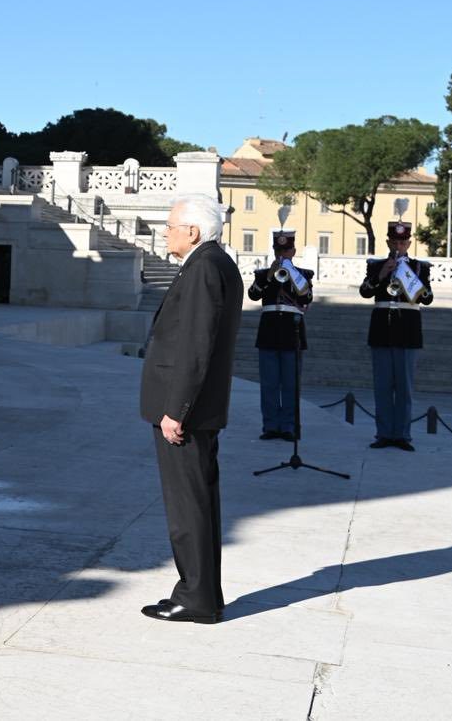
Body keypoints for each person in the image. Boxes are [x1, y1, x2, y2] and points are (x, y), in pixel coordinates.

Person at [138, 194, 242, 624]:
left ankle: (196, 598)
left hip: (186, 412)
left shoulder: (203, 268)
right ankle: (202, 593)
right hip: (197, 408)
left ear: (193, 232)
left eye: (170, 225)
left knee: (187, 506)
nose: (165, 231)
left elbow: (195, 347)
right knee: (197, 502)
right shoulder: (214, 264)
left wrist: (176, 410)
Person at [360, 220, 434, 452]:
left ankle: (402, 434)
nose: (399, 245)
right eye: (395, 242)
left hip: (407, 331)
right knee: (382, 387)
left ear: (409, 243)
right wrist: (382, 274)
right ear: (388, 242)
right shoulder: (376, 265)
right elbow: (365, 291)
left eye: (403, 242)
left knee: (404, 388)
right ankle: (383, 433)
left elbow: (428, 297)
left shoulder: (419, 267)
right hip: (382, 330)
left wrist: (408, 275)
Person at [247, 230, 314, 441]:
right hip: (269, 330)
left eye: (286, 250)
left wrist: (291, 274)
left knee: (290, 383)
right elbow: (253, 294)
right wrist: (268, 276)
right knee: (269, 383)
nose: (282, 254)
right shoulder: (264, 274)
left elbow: (307, 298)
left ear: (293, 251)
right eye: (279, 250)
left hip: (291, 330)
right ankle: (270, 426)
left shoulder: (303, 274)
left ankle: (289, 427)